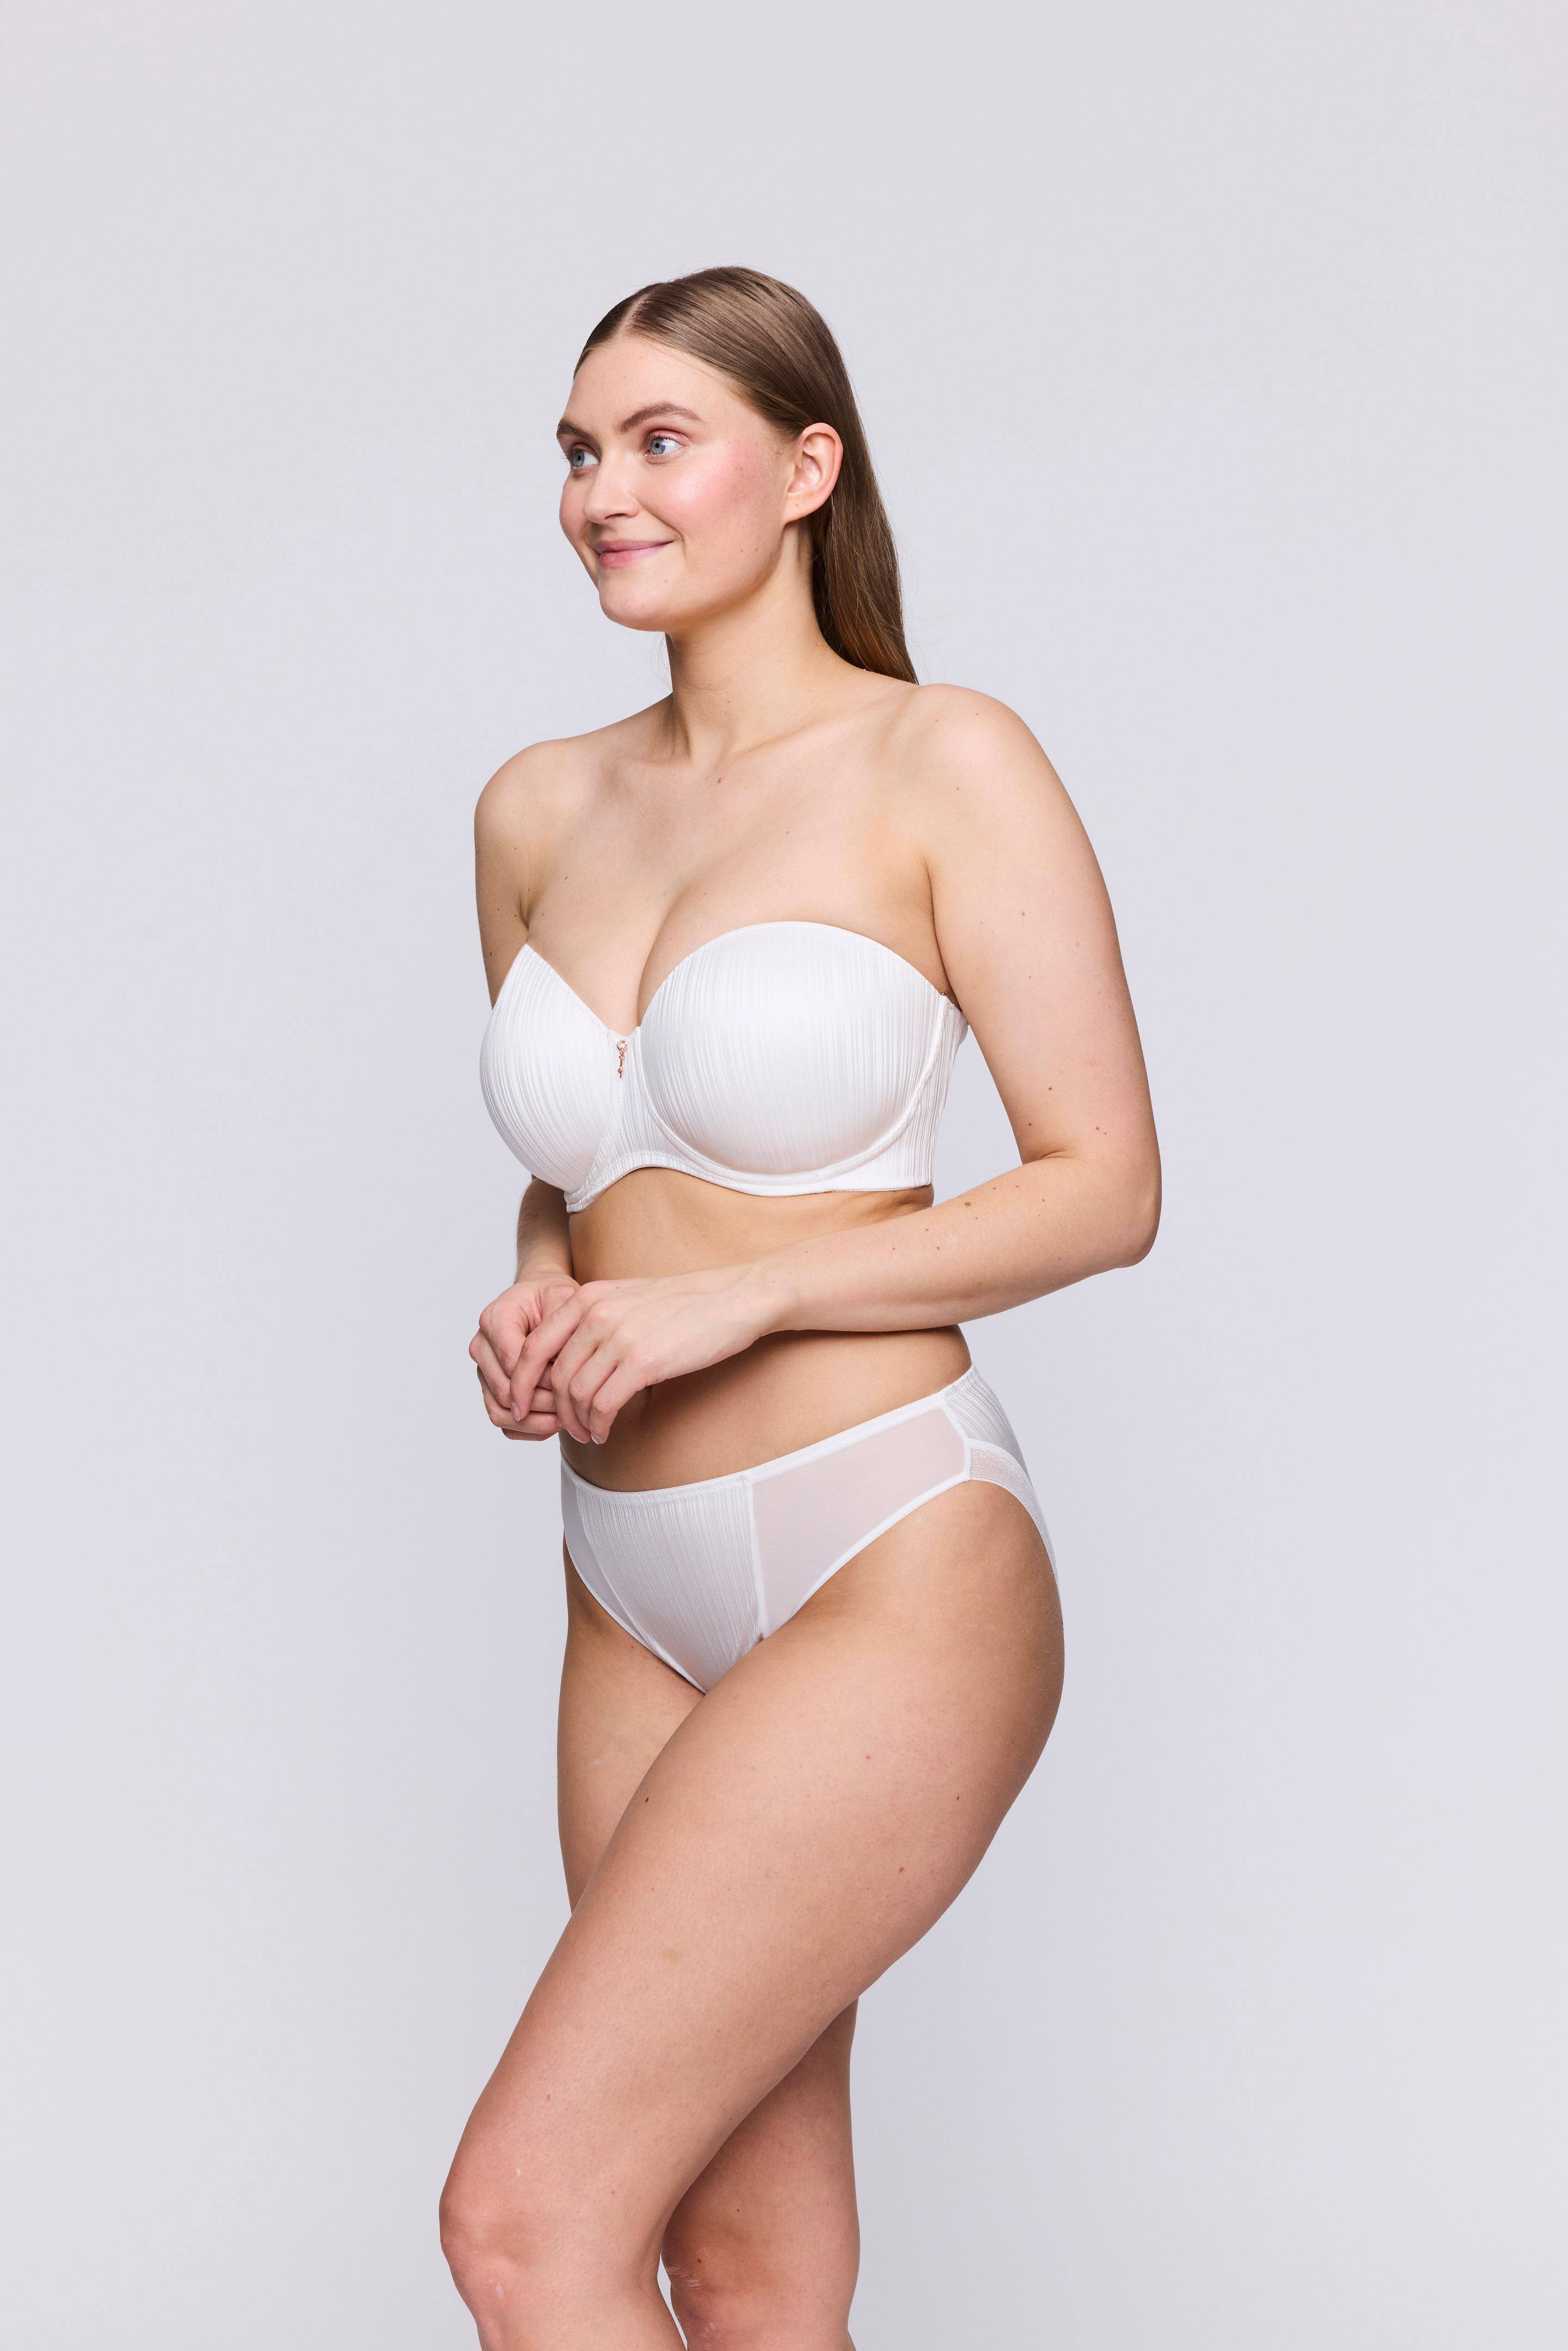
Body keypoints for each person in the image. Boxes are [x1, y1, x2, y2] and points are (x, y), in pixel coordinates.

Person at [441, 266, 1160, 2350]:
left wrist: (734, 1303)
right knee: (742, 2271)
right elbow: (581, 1159)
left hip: (884, 1546)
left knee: (522, 2226)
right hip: (622, 1580)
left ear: (805, 467)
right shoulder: (534, 806)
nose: (602, 493)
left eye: (660, 442)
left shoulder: (946, 760)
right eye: (579, 451)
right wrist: (542, 1290)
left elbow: (1105, 1186)